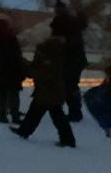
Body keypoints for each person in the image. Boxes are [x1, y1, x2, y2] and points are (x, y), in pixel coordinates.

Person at [13, 19, 77, 148]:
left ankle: (67, 140)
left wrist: (27, 66)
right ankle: (24, 131)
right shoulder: (59, 51)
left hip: (48, 89)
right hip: (51, 89)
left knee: (50, 114)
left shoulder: (51, 52)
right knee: (43, 112)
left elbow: (45, 72)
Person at [51, 1, 88, 122]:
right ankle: (75, 110)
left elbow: (59, 41)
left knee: (67, 86)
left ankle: (73, 111)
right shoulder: (73, 22)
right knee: (72, 86)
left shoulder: (59, 23)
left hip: (68, 59)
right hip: (76, 60)